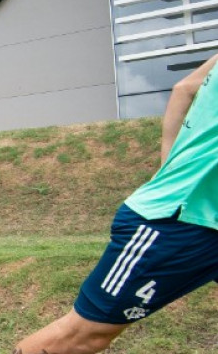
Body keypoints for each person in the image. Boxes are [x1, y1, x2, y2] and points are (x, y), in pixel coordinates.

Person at [14, 55, 218, 353]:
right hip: (180, 221)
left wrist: (167, 169)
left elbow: (184, 88)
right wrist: (169, 177)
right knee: (83, 335)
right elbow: (184, 89)